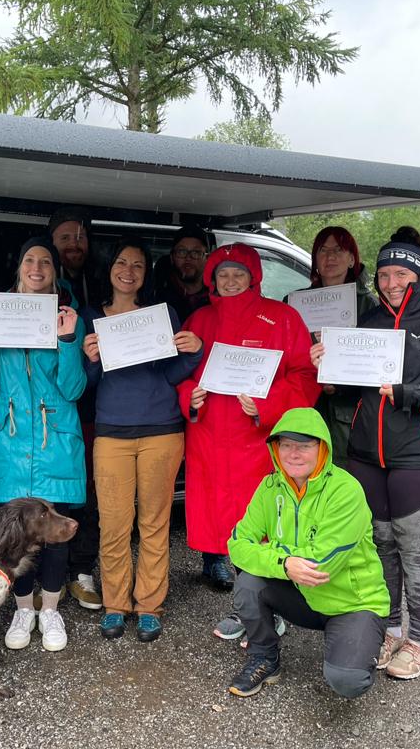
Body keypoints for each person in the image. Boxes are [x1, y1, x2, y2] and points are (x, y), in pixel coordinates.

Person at [312, 226, 420, 680]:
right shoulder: (369, 322)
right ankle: (389, 629)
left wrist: (408, 394)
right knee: (380, 546)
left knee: (414, 550)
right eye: (384, 275)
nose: (391, 283)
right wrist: (329, 371)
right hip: (367, 454)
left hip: (418, 456)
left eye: (401, 274)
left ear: (418, 275)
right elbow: (354, 386)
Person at [0, 237, 86, 652]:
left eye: (45, 261)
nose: (37, 267)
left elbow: (74, 387)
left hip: (55, 441)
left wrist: (68, 341)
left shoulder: (68, 316)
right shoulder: (0, 312)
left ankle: (51, 609)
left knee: (54, 532)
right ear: (20, 267)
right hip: (12, 441)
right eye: (30, 259)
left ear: (54, 271)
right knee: (15, 535)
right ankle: (24, 608)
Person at [176, 243, 319, 606]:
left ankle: (267, 605)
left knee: (262, 521)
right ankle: (229, 580)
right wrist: (189, 395)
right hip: (209, 437)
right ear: (212, 279)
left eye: (238, 274)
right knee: (217, 516)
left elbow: (304, 374)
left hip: (258, 440)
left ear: (253, 276)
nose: (230, 281)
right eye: (222, 275)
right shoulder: (200, 320)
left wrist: (267, 406)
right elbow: (177, 372)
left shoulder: (283, 318)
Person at [80, 239, 203, 642]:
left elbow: (171, 373)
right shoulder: (91, 317)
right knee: (114, 524)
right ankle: (116, 605)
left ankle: (149, 605)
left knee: (154, 523)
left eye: (137, 264)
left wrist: (193, 353)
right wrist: (90, 360)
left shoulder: (161, 314)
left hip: (162, 430)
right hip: (112, 433)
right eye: (121, 262)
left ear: (146, 272)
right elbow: (86, 385)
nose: (128, 271)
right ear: (109, 268)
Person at [226, 407, 389, 698]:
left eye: (304, 446)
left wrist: (271, 553)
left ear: (322, 448)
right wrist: (284, 562)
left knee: (347, 681)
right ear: (276, 449)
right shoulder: (269, 487)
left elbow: (320, 564)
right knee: (249, 582)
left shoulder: (345, 491)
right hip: (302, 595)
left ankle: (360, 641)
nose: (293, 454)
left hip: (351, 603)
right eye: (286, 445)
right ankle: (264, 658)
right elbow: (237, 544)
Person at [48, 206, 102, 612]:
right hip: (55, 410)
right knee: (56, 495)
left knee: (88, 494)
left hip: (97, 407)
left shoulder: (103, 278)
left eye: (80, 237)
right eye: (66, 237)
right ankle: (50, 574)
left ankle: (81, 569)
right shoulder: (38, 289)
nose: (74, 244)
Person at [300, 226, 378, 469]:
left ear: (352, 259)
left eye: (339, 250)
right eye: (323, 250)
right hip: (305, 405)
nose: (330, 257)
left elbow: (375, 365)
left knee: (343, 478)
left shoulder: (370, 306)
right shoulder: (294, 302)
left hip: (348, 415)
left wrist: (341, 385)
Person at [155, 224, 211, 323]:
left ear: (207, 258)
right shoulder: (156, 297)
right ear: (172, 257)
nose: (188, 258)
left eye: (196, 252)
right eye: (181, 252)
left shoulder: (218, 296)